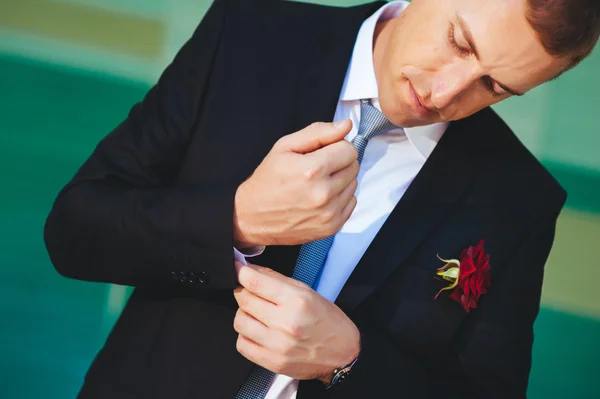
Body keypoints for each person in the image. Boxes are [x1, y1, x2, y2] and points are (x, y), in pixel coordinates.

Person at [43, 0, 600, 398]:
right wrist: (237, 220)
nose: (446, 93)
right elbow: (74, 232)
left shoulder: (520, 200)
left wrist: (349, 364)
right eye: (459, 41)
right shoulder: (245, 35)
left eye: (495, 87)